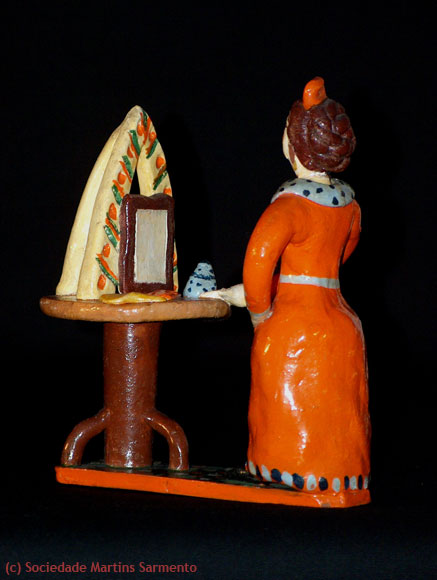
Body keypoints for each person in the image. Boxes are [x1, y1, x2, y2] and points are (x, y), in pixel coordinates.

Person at [242, 77, 370, 501]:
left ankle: (288, 472)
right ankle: (339, 477)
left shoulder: (290, 207)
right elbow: (345, 250)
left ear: (293, 143)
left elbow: (258, 261)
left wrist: (260, 312)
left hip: (294, 326)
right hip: (341, 321)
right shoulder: (350, 207)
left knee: (289, 402)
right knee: (337, 408)